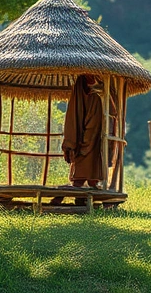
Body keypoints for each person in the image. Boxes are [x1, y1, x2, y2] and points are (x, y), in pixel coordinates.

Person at [52, 74, 104, 205]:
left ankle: (75, 198)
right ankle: (67, 197)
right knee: (81, 179)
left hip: (82, 144)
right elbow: (89, 124)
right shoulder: (87, 100)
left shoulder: (88, 100)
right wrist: (83, 143)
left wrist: (76, 144)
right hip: (85, 144)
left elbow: (90, 125)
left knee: (84, 179)